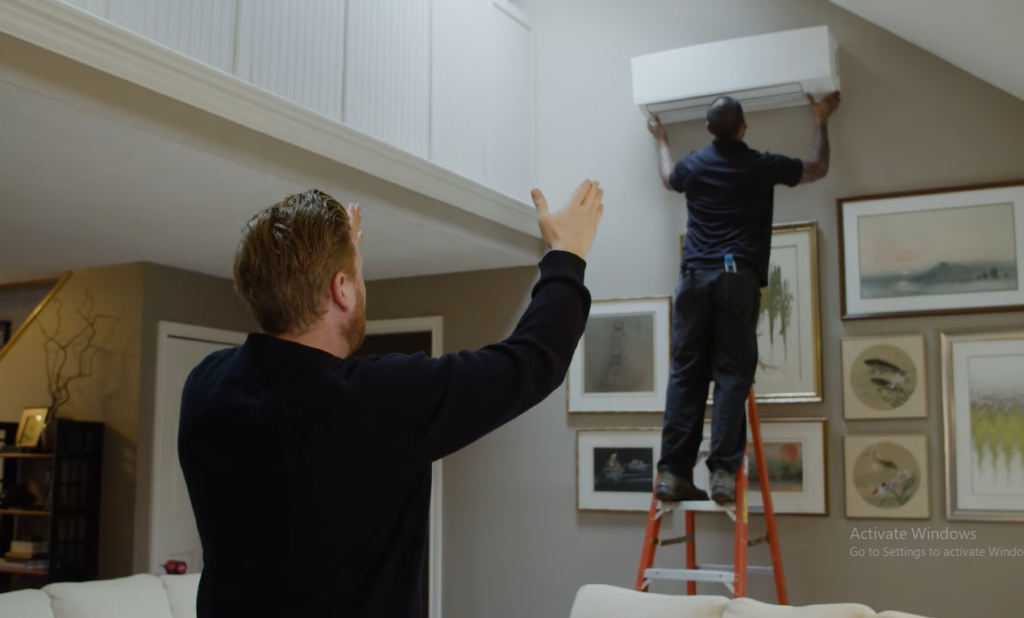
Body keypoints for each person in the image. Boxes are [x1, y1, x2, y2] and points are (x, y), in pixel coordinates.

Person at [177, 180, 604, 617]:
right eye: (358, 276)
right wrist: (567, 253)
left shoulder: (205, 386)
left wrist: (326, 259)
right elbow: (533, 359)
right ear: (342, 289)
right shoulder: (377, 399)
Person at [647, 92, 840, 504]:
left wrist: (660, 139)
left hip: (693, 278)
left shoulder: (693, 165)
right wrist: (821, 119)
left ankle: (672, 474)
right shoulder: (759, 164)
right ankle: (721, 474)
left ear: (707, 128)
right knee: (733, 374)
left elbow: (667, 178)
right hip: (736, 278)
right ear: (743, 126)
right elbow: (818, 167)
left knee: (686, 374)